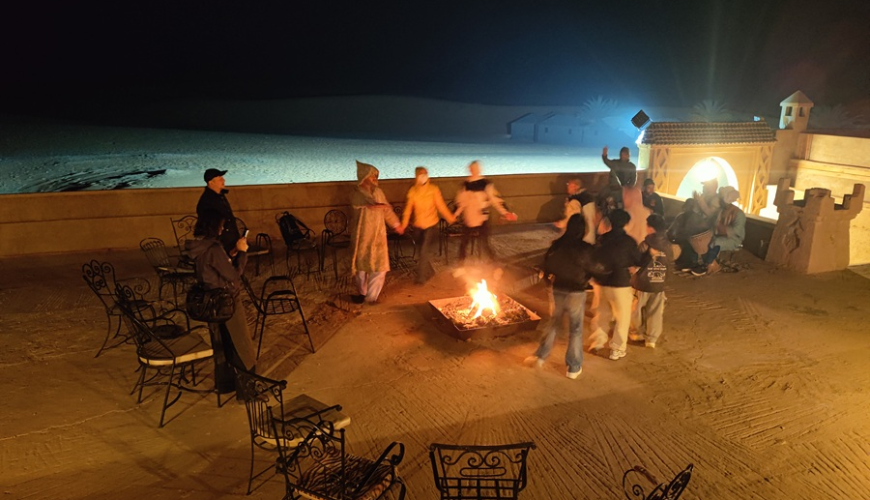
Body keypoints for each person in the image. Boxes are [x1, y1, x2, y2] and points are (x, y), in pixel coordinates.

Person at [525, 214, 605, 379]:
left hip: (558, 289)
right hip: (576, 291)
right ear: (583, 230)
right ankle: (573, 367)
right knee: (575, 329)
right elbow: (596, 268)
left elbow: (546, 265)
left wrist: (548, 282)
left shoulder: (557, 245)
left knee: (554, 323)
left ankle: (540, 356)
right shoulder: (586, 249)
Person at [185, 209, 257, 375]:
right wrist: (243, 253)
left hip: (210, 299)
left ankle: (224, 383)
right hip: (226, 299)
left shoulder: (199, 246)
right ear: (213, 227)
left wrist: (229, 256)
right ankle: (248, 388)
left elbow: (213, 266)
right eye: (221, 226)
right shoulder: (214, 248)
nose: (222, 229)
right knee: (241, 344)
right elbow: (233, 275)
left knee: (221, 344)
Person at [587, 209, 644, 361]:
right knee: (622, 317)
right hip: (620, 283)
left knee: (601, 314)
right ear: (626, 223)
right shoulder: (629, 242)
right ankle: (617, 349)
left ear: (610, 222)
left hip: (601, 282)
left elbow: (593, 257)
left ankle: (596, 343)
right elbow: (638, 260)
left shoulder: (602, 239)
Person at [350, 161, 403, 304]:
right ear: (364, 176)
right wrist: (372, 205)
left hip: (378, 235)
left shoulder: (378, 192)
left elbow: (386, 210)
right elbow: (362, 202)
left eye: (376, 175)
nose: (375, 178)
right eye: (372, 175)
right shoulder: (357, 193)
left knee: (379, 267)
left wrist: (396, 224)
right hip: (363, 236)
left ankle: (372, 297)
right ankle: (362, 293)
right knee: (361, 268)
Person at [400, 167, 456, 284]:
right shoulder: (413, 191)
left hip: (431, 226)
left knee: (423, 250)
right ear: (416, 176)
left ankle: (421, 278)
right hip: (418, 227)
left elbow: (441, 206)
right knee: (421, 251)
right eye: (421, 174)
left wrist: (450, 218)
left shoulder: (433, 190)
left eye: (425, 174)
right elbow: (408, 210)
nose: (423, 176)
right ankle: (429, 271)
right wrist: (403, 225)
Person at [453, 160, 517, 262]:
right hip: (469, 218)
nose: (473, 170)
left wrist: (506, 212)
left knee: (483, 243)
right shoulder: (465, 184)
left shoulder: (485, 184)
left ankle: (492, 263)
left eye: (475, 168)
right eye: (472, 168)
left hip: (481, 218)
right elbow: (460, 202)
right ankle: (461, 265)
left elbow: (495, 200)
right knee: (465, 244)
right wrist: (455, 214)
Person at [630, 214, 672, 348]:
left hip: (642, 283)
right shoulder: (668, 245)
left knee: (635, 310)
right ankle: (651, 339)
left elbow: (636, 260)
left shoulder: (646, 244)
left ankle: (636, 333)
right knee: (655, 312)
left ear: (651, 228)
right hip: (659, 284)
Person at [692, 186, 745, 276]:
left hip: (734, 239)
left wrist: (724, 229)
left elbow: (738, 232)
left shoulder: (739, 214)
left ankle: (710, 265)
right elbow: (711, 216)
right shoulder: (722, 211)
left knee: (716, 242)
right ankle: (710, 263)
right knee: (706, 239)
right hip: (720, 235)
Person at [196, 168, 243, 255]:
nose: (223, 180)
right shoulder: (208, 200)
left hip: (230, 239)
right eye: (220, 179)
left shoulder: (219, 195)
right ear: (211, 182)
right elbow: (209, 225)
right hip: (222, 242)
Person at [554, 177, 597, 244]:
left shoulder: (575, 201)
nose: (567, 186)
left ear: (575, 186)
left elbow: (573, 219)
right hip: (590, 235)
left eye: (568, 184)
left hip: (580, 237)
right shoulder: (589, 198)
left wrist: (561, 224)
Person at [599, 146, 638, 213]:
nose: (624, 156)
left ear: (629, 155)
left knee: (621, 205)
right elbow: (607, 161)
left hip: (623, 190)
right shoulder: (615, 163)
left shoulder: (632, 166)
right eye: (622, 154)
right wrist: (604, 155)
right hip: (612, 188)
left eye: (626, 154)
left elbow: (633, 179)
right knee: (601, 197)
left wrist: (627, 188)